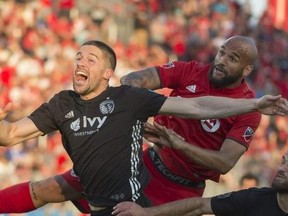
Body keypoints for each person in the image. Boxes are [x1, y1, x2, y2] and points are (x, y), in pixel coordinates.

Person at [0, 36, 288, 214]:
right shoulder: (191, 70)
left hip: (180, 190)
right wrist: (138, 107)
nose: (222, 60)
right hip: (143, 162)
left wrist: (176, 143)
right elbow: (133, 81)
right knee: (47, 189)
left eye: (232, 58)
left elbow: (224, 162)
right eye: (222, 52)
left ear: (247, 70)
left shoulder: (249, 108)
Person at [112, 150, 288, 216]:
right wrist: (146, 213)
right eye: (283, 161)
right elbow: (200, 206)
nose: (281, 168)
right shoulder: (255, 198)